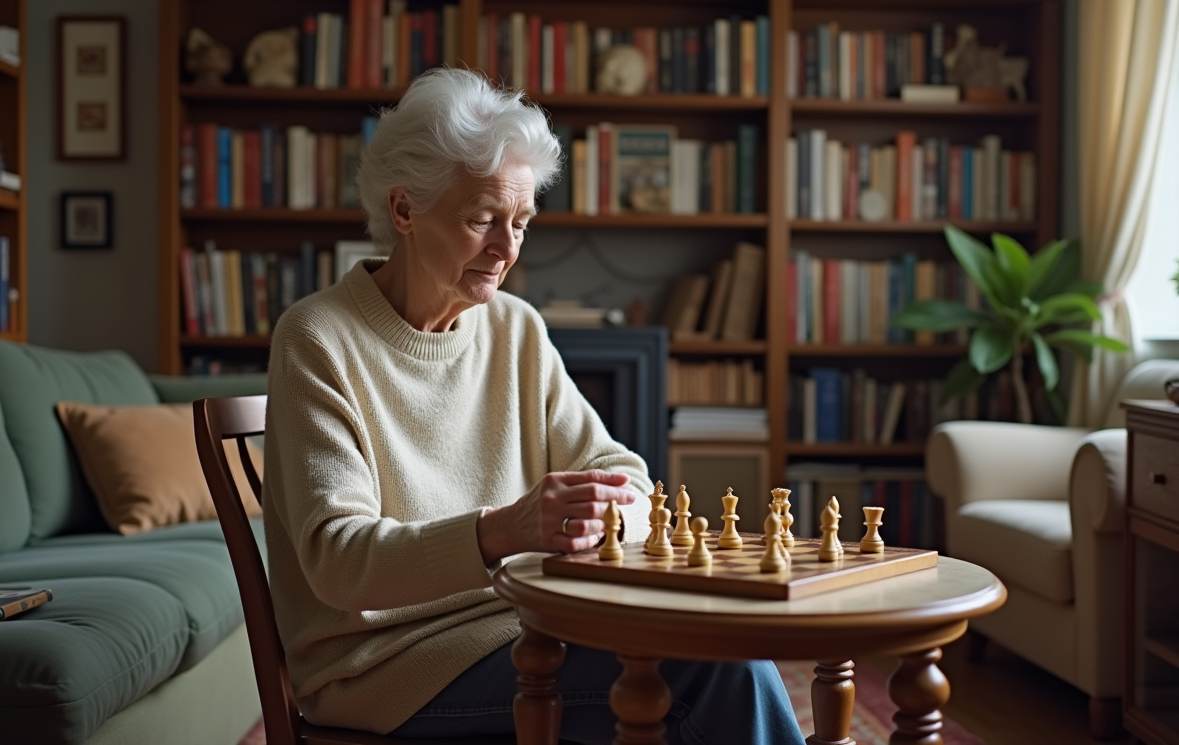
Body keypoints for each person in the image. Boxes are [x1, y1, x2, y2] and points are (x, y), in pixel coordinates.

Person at [261, 67, 806, 745]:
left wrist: (604, 514)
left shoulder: (514, 327)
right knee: (711, 675)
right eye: (482, 220)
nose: (507, 248)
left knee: (717, 646)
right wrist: (505, 531)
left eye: (521, 222)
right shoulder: (317, 338)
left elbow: (623, 474)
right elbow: (338, 562)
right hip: (382, 665)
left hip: (522, 624)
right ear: (404, 211)